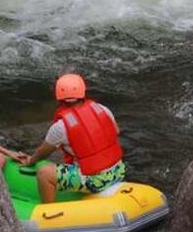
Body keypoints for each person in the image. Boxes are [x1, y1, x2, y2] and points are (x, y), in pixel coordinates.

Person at [20, 74, 126, 204]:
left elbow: (43, 153)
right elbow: (116, 131)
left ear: (59, 98)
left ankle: (49, 211)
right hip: (119, 171)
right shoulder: (102, 109)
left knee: (44, 173)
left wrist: (30, 161)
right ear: (82, 92)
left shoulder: (60, 127)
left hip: (95, 180)